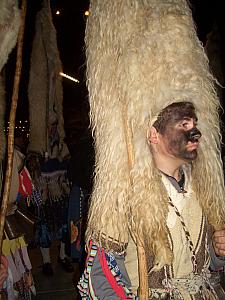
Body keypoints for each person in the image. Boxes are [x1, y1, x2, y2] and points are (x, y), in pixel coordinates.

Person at [77, 0, 225, 299]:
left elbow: (211, 267)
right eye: (182, 124)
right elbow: (99, 279)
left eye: (194, 122)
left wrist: (220, 251)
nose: (194, 131)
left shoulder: (206, 190)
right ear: (153, 134)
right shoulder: (122, 196)